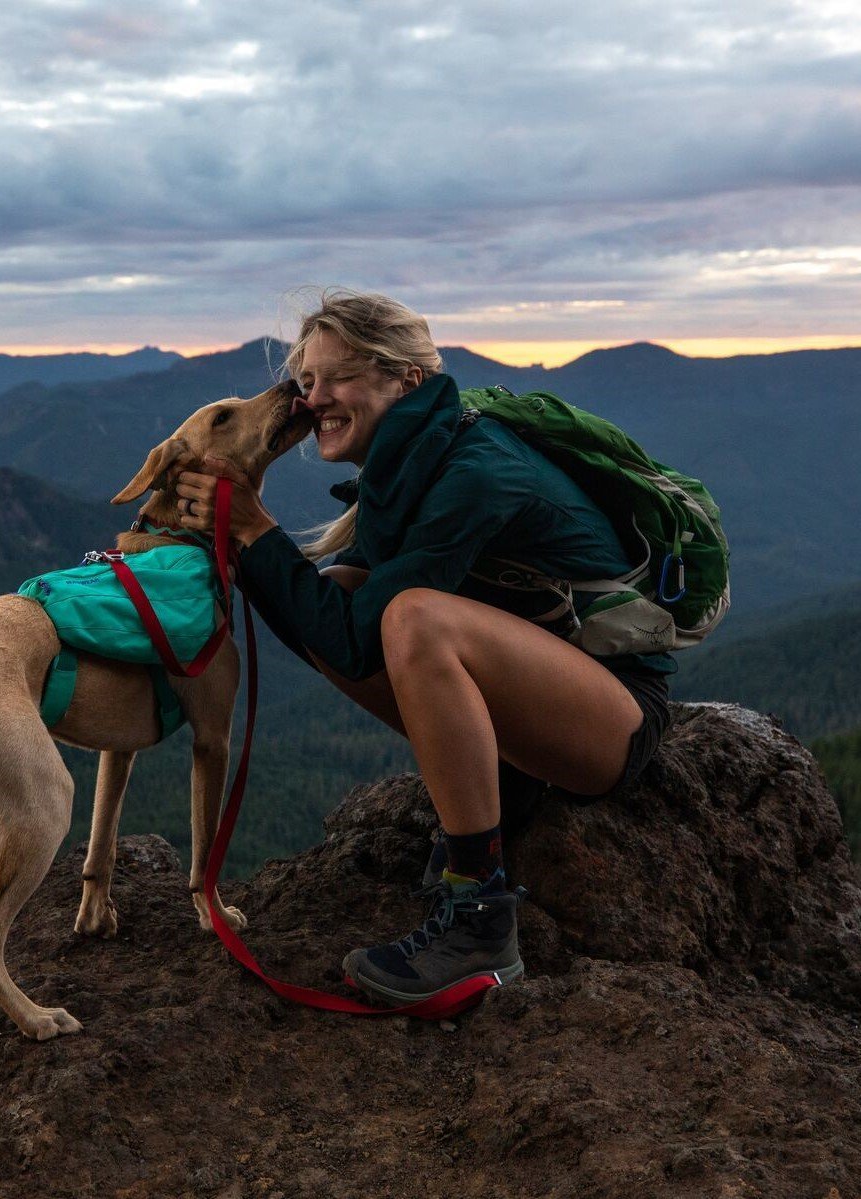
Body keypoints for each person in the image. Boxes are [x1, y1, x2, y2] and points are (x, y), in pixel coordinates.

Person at [173, 290, 673, 1006]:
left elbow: (359, 641)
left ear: (405, 378)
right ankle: (504, 792)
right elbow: (342, 633)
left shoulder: (472, 471)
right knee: (345, 584)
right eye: (306, 382)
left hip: (613, 719)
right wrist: (241, 545)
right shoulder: (410, 462)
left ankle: (478, 922)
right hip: (546, 701)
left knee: (410, 620)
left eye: (335, 377)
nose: (312, 400)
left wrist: (255, 531)